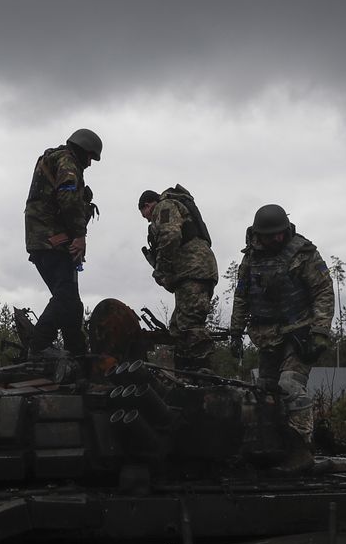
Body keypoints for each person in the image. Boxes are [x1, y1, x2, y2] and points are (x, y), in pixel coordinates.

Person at [228, 204, 334, 455]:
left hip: (300, 333)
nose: (277, 237)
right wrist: (235, 332)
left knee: (290, 386)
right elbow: (242, 295)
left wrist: (320, 332)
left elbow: (323, 291)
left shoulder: (303, 253)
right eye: (271, 234)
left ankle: (301, 451)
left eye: (280, 232)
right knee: (265, 392)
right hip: (266, 336)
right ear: (259, 234)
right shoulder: (251, 257)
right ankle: (271, 448)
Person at [22, 128, 101, 356]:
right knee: (65, 294)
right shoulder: (67, 161)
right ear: (84, 150)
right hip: (52, 241)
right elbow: (67, 197)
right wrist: (79, 235)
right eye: (90, 157)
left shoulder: (54, 159)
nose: (89, 163)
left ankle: (76, 352)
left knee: (71, 302)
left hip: (42, 240)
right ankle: (39, 346)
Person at [139, 185, 218, 370]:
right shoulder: (173, 206)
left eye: (144, 213)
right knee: (177, 328)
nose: (146, 218)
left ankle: (202, 374)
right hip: (194, 270)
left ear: (148, 204)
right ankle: (185, 375)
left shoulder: (164, 206)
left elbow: (170, 234)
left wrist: (161, 269)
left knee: (190, 326)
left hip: (194, 269)